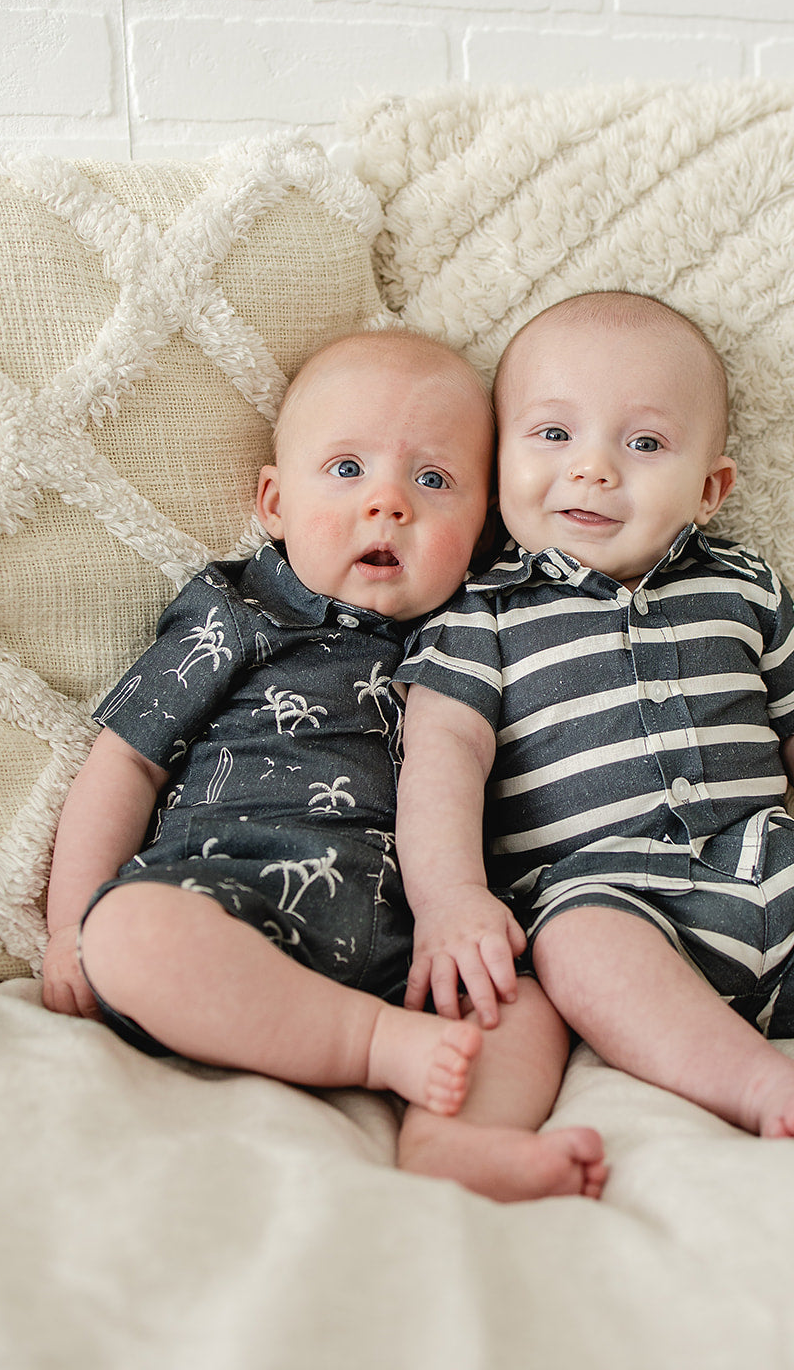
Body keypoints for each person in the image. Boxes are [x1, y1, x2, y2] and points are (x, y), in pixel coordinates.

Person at [395, 291, 794, 1194]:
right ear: (496, 457)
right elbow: (442, 761)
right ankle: (762, 1089)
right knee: (580, 953)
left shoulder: (741, 584)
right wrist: (452, 897)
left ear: (710, 487)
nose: (592, 472)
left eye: (643, 444)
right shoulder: (480, 613)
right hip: (604, 889)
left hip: (772, 869)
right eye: (550, 436)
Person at [42, 327, 607, 1204]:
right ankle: (374, 1047)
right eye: (346, 469)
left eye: (432, 480)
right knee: (128, 935)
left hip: (416, 945)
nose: (387, 504)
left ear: (484, 528)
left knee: (531, 997)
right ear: (272, 501)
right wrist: (67, 924)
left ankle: (457, 1139)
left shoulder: (485, 633)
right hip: (229, 900)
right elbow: (125, 763)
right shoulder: (236, 611)